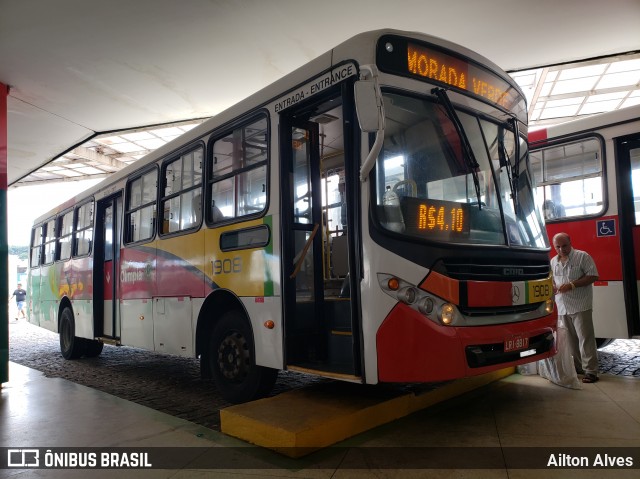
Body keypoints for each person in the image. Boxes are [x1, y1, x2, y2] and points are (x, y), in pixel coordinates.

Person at [551, 232, 600, 383]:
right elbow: (552, 279)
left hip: (580, 304)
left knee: (585, 338)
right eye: (557, 247)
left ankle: (591, 371)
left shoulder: (582, 256)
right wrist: (552, 287)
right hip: (562, 306)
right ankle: (578, 368)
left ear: (570, 242)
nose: (561, 250)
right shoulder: (553, 261)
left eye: (564, 246)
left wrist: (572, 285)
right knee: (570, 340)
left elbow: (593, 275)